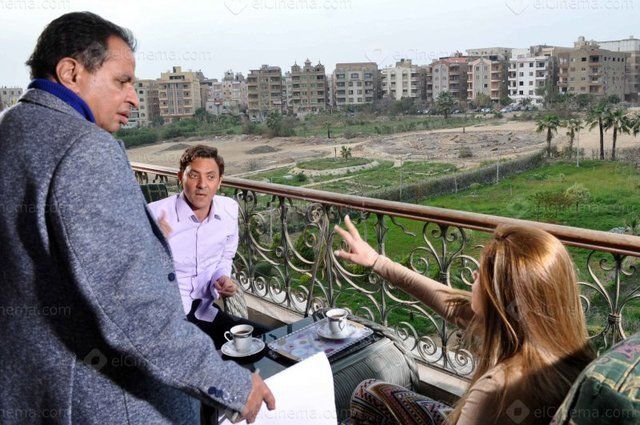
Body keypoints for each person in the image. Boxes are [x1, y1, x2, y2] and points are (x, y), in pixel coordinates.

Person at [0, 12, 273, 424]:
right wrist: (231, 384)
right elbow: (132, 307)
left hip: (35, 386)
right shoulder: (86, 150)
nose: (133, 97)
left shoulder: (11, 126)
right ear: (71, 72)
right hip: (101, 398)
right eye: (122, 81)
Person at [334, 216, 595, 425]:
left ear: (501, 299)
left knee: (366, 398)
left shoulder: (496, 390)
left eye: (481, 275)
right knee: (370, 393)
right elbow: (451, 305)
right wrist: (377, 261)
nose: (473, 276)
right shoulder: (559, 346)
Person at [147, 145, 271, 349]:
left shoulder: (228, 210)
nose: (202, 185)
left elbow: (225, 256)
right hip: (167, 320)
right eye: (193, 175)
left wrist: (221, 278)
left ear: (220, 181)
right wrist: (151, 242)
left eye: (211, 177)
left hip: (204, 312)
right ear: (180, 177)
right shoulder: (154, 215)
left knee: (269, 341)